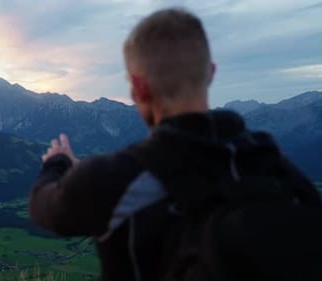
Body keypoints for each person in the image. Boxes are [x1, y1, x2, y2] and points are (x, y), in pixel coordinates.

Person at [28, 7, 321, 281]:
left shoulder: (113, 179)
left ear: (137, 87)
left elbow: (43, 207)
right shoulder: (275, 167)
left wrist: (58, 163)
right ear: (210, 73)